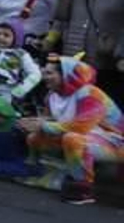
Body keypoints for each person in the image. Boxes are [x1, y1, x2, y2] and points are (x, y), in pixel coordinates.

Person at [18, 55, 123, 205]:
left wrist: (42, 125)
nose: (44, 76)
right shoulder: (51, 96)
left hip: (115, 142)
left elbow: (81, 126)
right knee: (35, 138)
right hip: (83, 137)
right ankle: (43, 173)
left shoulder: (89, 93)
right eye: (44, 72)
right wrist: (32, 122)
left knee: (73, 139)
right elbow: (49, 121)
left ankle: (83, 189)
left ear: (65, 75)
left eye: (49, 73)